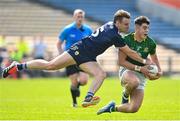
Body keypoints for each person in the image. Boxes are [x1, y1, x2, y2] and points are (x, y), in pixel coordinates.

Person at [2, 10, 151, 108]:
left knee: (101, 74)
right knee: (51, 65)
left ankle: (88, 98)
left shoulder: (110, 26)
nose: (128, 26)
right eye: (125, 24)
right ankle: (18, 66)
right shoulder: (114, 35)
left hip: (89, 56)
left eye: (128, 23)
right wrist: (145, 62)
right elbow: (130, 53)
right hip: (80, 50)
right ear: (117, 22)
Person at [97, 16, 163, 115]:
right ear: (137, 27)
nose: (147, 31)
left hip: (141, 74)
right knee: (133, 82)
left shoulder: (151, 43)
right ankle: (125, 94)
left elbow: (155, 59)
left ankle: (112, 108)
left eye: (148, 28)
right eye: (144, 28)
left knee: (134, 108)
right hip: (127, 70)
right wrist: (141, 68)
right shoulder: (126, 39)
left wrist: (159, 72)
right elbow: (121, 62)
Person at [57, 9, 92, 107]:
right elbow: (59, 43)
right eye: (78, 16)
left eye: (81, 17)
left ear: (83, 18)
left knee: (84, 81)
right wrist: (61, 55)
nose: (80, 19)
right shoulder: (67, 29)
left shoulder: (88, 30)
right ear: (74, 17)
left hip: (83, 58)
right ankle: (74, 102)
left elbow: (92, 43)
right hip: (70, 58)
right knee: (74, 81)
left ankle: (77, 87)